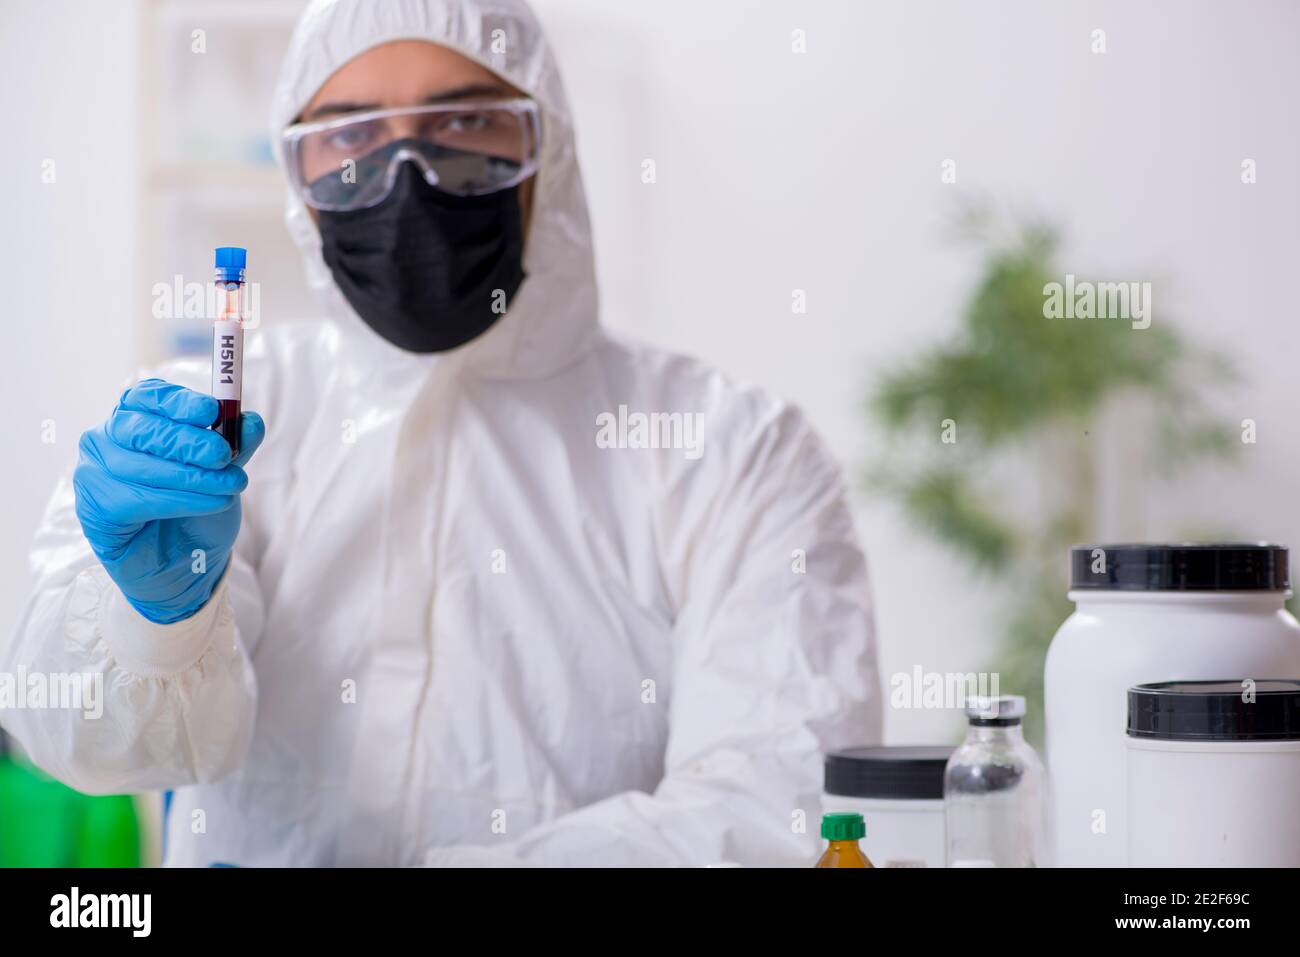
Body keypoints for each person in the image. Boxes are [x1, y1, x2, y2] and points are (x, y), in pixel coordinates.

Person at [1, 0, 880, 866]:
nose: (409, 174)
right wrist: (159, 621)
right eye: (349, 135)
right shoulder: (215, 419)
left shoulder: (730, 452)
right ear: (296, 176)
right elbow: (79, 739)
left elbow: (779, 799)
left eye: (464, 122)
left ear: (549, 148)